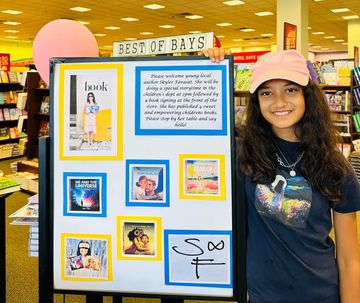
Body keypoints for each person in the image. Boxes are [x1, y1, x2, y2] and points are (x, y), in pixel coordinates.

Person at [202, 48, 360, 303]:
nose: (279, 102)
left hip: (321, 294)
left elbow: (349, 257)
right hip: (263, 297)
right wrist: (207, 69)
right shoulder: (243, 155)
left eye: (290, 89)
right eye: (267, 92)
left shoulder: (334, 165)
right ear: (257, 101)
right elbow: (192, 133)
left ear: (307, 95)